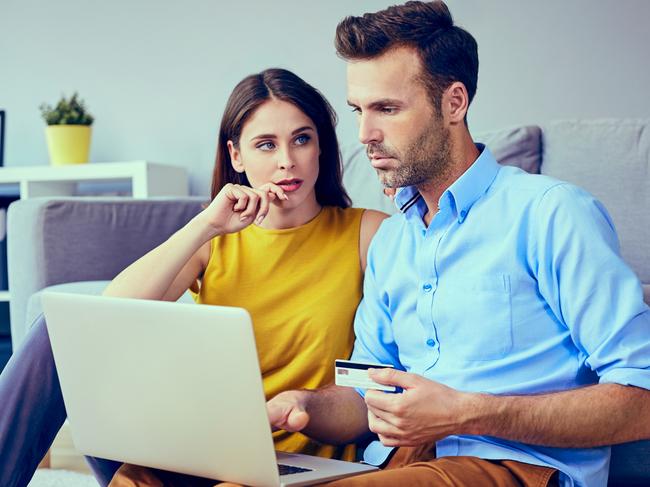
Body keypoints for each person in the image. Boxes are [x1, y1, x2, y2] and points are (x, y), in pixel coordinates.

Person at [266, 2, 650, 487]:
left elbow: (642, 400)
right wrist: (304, 405)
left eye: (387, 109)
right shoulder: (393, 241)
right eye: (359, 111)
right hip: (393, 465)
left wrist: (465, 415)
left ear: (454, 103)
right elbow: (365, 394)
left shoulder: (552, 213)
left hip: (515, 469)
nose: (365, 135)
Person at [0, 68, 387, 487]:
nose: (286, 161)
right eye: (265, 144)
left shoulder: (368, 233)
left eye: (301, 139)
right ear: (236, 156)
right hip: (202, 454)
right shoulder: (215, 239)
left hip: (299, 463)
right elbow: (101, 321)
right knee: (56, 333)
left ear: (320, 148)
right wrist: (204, 226)